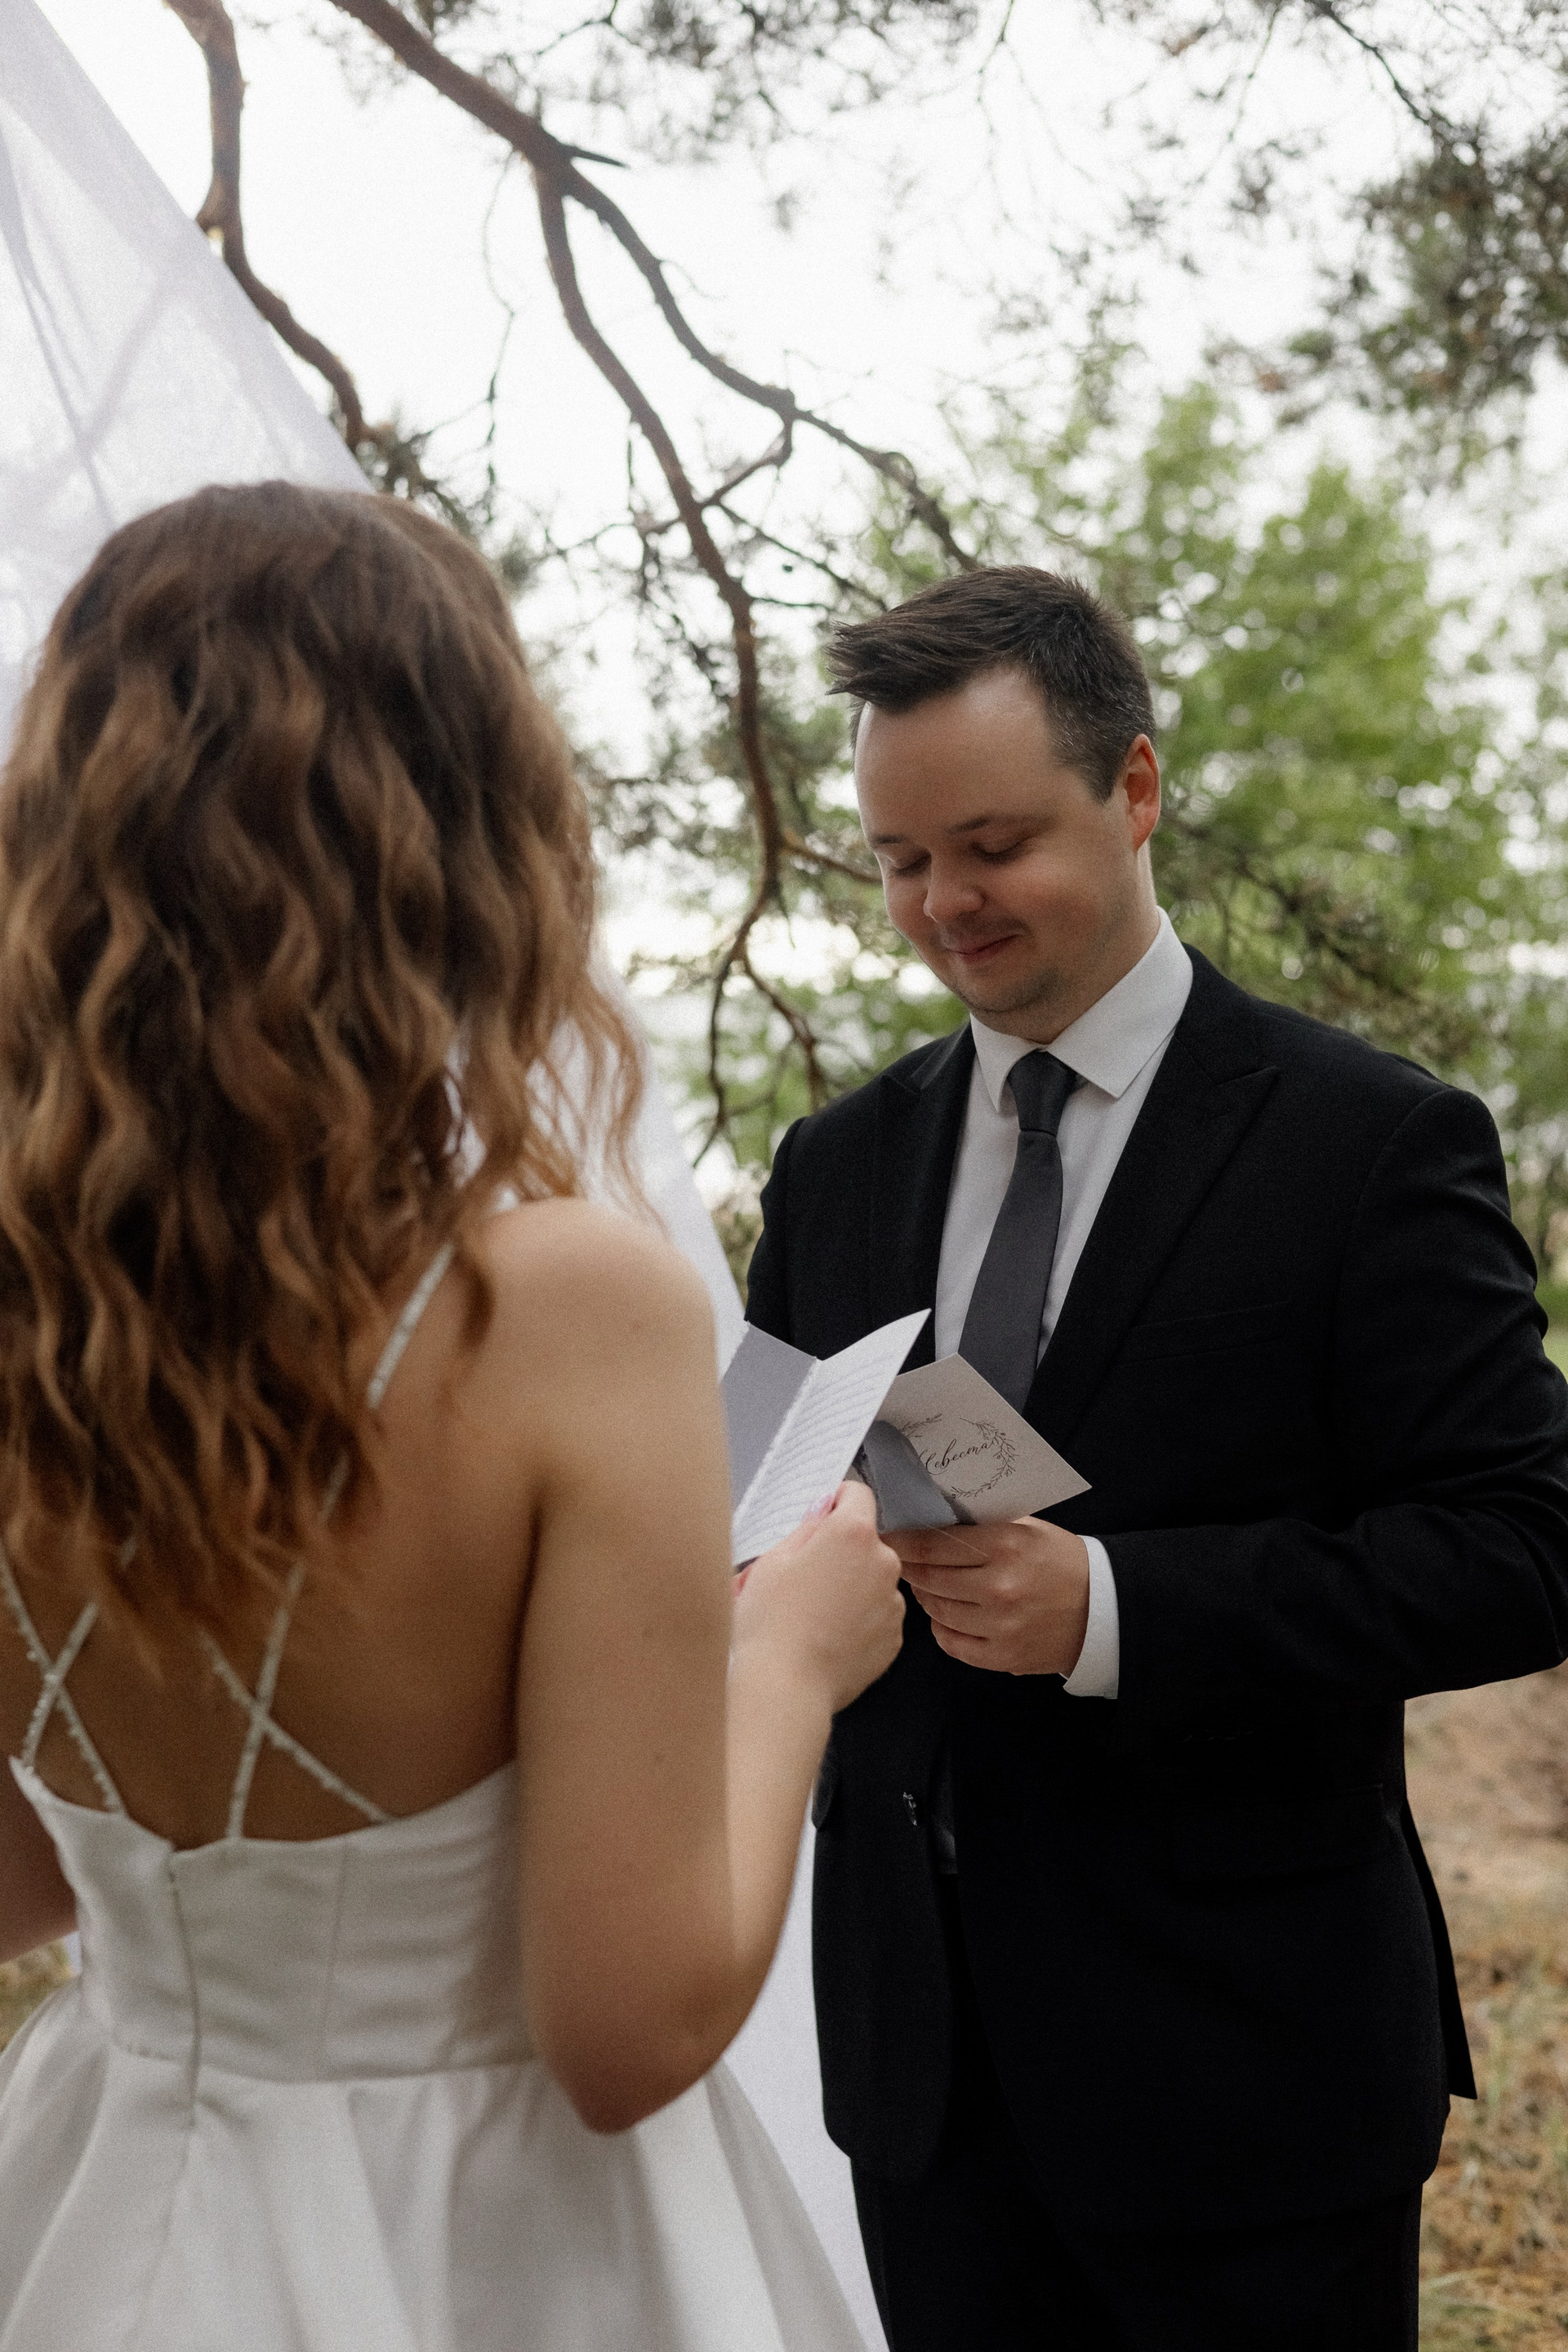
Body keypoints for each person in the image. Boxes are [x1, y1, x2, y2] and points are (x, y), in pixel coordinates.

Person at [0, 481, 906, 2352]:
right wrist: (795, 1661)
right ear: (474, 841)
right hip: (487, 2248)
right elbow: (625, 2030)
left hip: (103, 2210)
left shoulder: (41, 1294)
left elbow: (28, 1878)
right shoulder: (564, 1306)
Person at [742, 564, 1568, 2351]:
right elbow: (759, 1518)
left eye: (992, 845)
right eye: (900, 860)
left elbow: (1526, 1544)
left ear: (1134, 790)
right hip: (921, 2072)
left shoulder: (1372, 1140)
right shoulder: (834, 1166)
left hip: (1251, 2075)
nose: (943, 905)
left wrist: (1118, 1608)